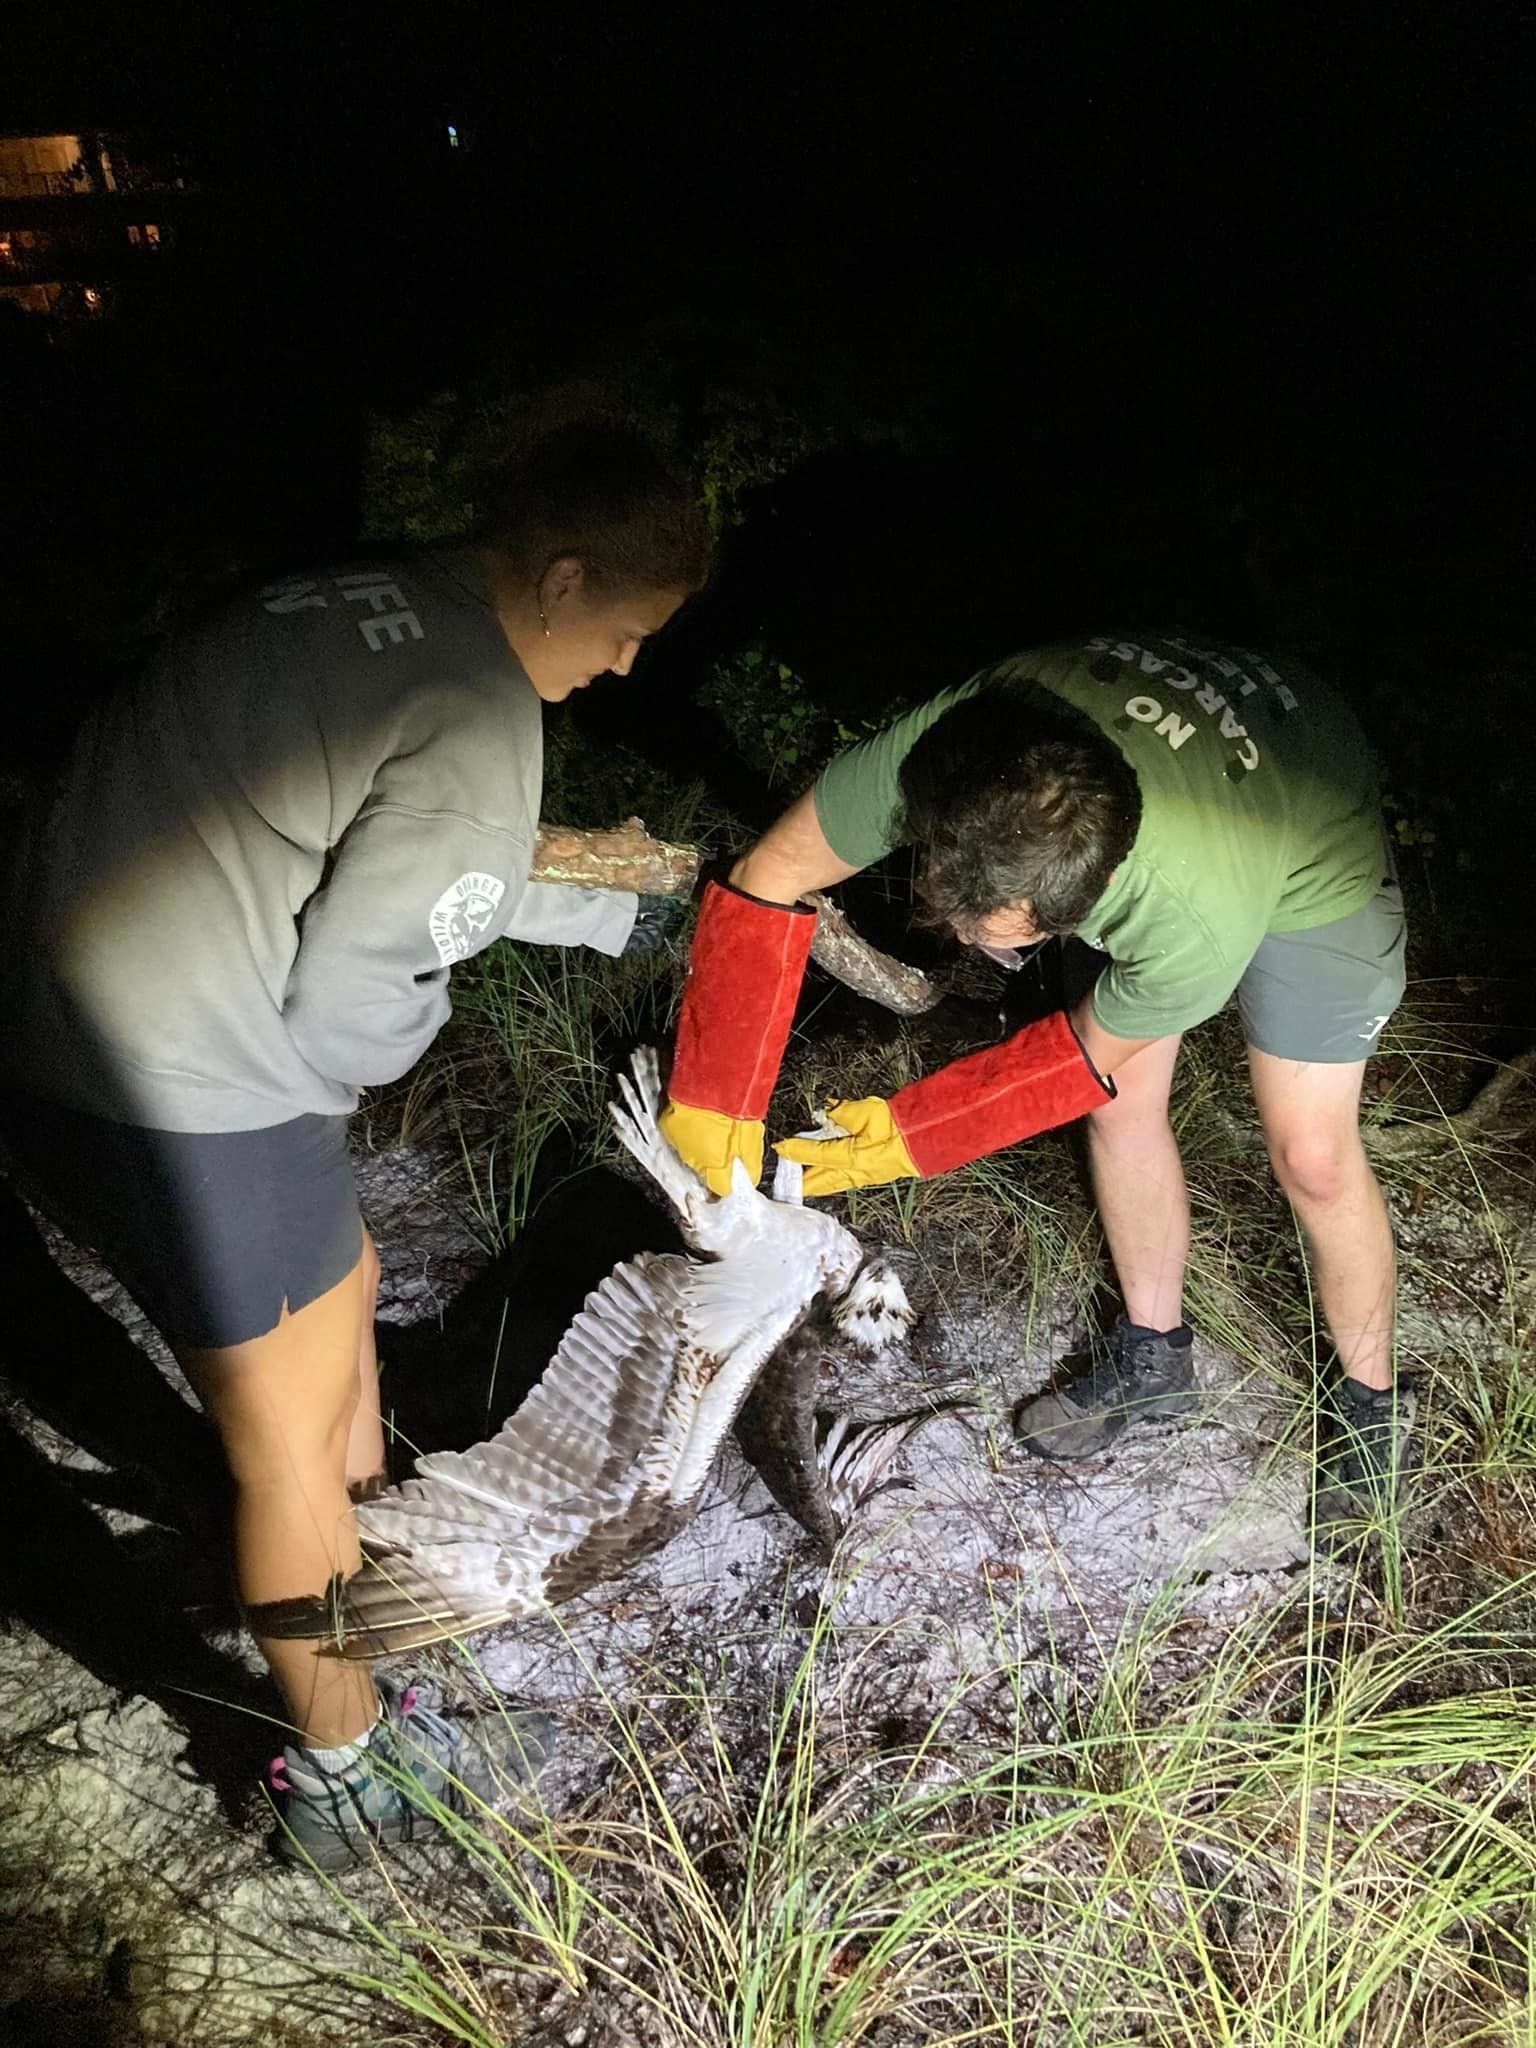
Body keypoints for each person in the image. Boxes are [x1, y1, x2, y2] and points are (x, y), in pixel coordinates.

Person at [0, 423, 712, 1867]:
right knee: (290, 1454)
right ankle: (346, 1780)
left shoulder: (347, 598)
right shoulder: (478, 711)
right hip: (192, 1085)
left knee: (348, 1325)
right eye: (628, 631)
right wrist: (358, 1066)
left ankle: (380, 1621)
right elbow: (353, 1004)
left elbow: (362, 832)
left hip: (52, 1027)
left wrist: (587, 899)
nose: (627, 666)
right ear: (565, 576)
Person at [658, 632, 1410, 1536]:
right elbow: (767, 877)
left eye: (1010, 934)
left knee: (1313, 1154)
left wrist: (901, 1139)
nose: (980, 948)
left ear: (1091, 895)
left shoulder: (1189, 919)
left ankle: (1372, 1410)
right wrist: (713, 1095)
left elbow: (1070, 1061)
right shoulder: (943, 751)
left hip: (1303, 835)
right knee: (1125, 1105)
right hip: (1169, 765)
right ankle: (1154, 1358)